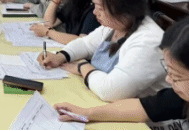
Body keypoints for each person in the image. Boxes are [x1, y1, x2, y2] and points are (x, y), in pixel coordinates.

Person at [38, 0, 168, 102]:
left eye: (100, 8)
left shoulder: (149, 41)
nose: (95, 12)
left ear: (121, 8)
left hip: (139, 112)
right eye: (94, 6)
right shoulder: (115, 24)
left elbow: (111, 91)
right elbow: (86, 44)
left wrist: (82, 66)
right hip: (102, 98)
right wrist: (60, 56)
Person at [54, 17, 189, 129]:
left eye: (176, 76)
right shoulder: (179, 97)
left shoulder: (147, 38)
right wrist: (86, 114)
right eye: (168, 71)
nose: (168, 80)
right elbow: (140, 108)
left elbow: (112, 91)